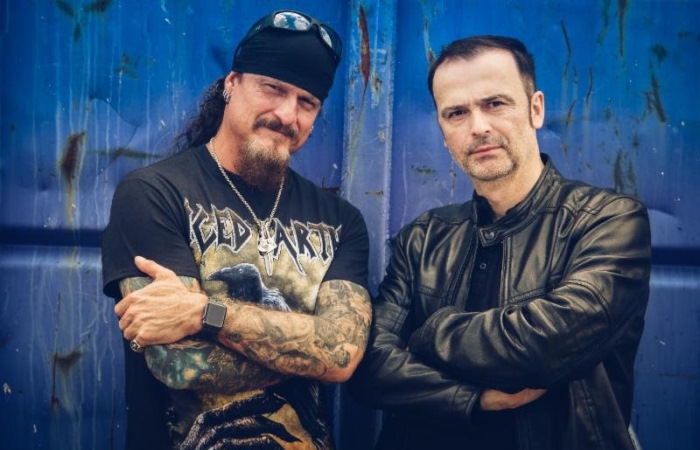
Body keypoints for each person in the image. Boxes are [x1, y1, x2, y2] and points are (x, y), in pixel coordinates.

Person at [350, 35, 651, 450]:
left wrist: (429, 334)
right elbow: (368, 367)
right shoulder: (423, 239)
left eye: (495, 103)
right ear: (443, 133)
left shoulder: (607, 221)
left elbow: (547, 346)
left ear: (535, 109)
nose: (478, 127)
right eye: (456, 113)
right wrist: (473, 400)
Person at [101, 10, 372, 450]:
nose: (287, 114)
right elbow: (177, 364)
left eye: (307, 102)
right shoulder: (154, 194)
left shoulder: (341, 221)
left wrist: (204, 314)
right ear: (231, 84)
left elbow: (342, 354)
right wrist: (310, 350)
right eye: (273, 88)